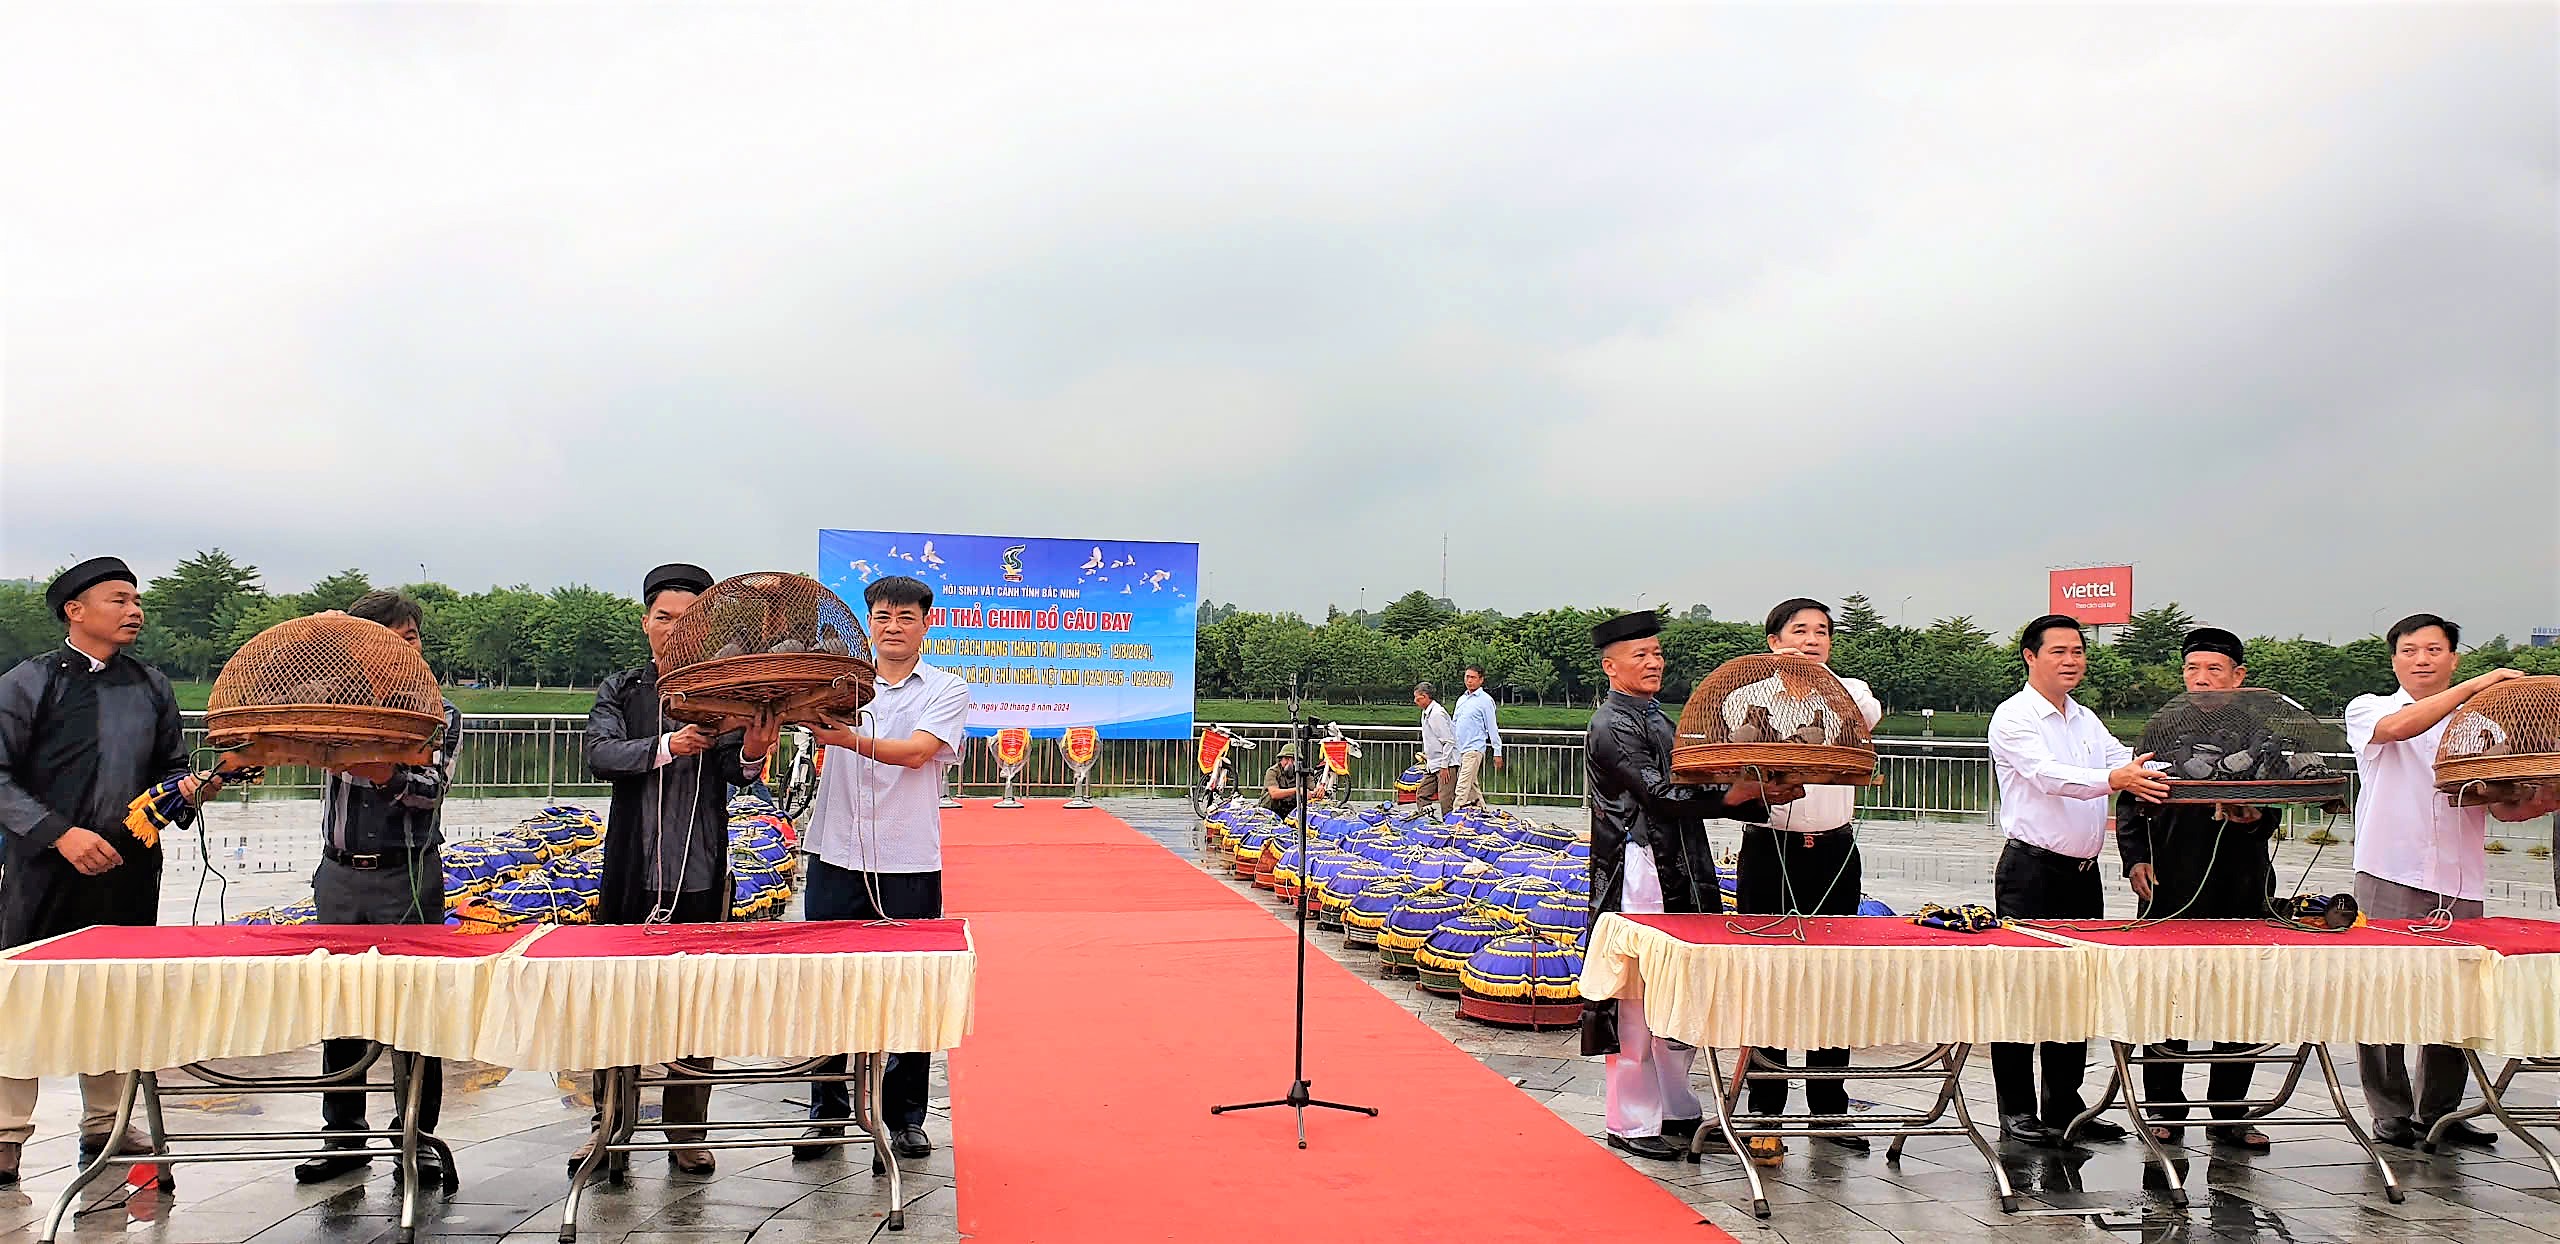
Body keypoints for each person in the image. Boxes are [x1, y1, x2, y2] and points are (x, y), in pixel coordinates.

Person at [0, 557, 232, 1187]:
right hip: (43, 867)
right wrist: (59, 833)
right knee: (22, 993)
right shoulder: (28, 683)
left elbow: (169, 771)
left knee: (114, 991)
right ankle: (6, 1133)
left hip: (127, 867)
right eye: (119, 600)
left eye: (136, 600)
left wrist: (191, 789)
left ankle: (108, 1122)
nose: (135, 611)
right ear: (74, 611)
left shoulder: (152, 686)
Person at [578, 563, 778, 1176]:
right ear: (646, 623)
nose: (673, 628)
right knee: (618, 1000)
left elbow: (735, 771)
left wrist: (752, 749)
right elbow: (599, 754)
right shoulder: (623, 690)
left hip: (700, 872)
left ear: (705, 627)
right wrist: (668, 745)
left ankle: (686, 1131)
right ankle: (609, 1123)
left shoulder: (725, 688)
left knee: (696, 1002)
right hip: (631, 872)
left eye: (688, 619)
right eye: (664, 617)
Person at [1581, 611, 1791, 1162]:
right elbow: (1656, 794)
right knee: (1635, 997)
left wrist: (1754, 791)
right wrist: (1731, 798)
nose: (1654, 662)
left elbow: (1695, 779)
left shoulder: (1658, 716)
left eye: (1656, 652)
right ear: (1611, 667)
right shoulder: (1611, 724)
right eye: (1640, 655)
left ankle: (1679, 1109)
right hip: (1639, 868)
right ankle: (1631, 1119)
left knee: (1679, 991)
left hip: (1682, 861)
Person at [793, 576, 971, 1163]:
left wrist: (846, 739)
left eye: (905, 616)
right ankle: (826, 1111)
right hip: (835, 852)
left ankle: (904, 1117)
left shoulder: (946, 688)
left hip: (907, 856)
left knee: (910, 984)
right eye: (882, 616)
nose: (893, 626)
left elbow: (918, 753)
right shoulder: (838, 684)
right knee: (826, 982)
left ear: (926, 624)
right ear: (868, 622)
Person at [296, 591, 465, 1185]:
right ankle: (342, 1139)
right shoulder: (334, 705)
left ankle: (416, 1136)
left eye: (411, 636)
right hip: (340, 874)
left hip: (407, 875)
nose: (403, 647)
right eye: (388, 637)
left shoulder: (438, 713)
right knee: (340, 1007)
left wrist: (378, 770)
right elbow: (286, 725)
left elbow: (430, 791)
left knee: (415, 1009)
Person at [1985, 614, 2167, 1148]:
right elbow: (2048, 776)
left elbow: (2127, 763)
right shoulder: (2014, 716)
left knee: (2073, 992)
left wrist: (2186, 770)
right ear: (2030, 656)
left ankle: (2064, 1105)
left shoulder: (2085, 719)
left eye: (2078, 652)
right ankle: (2017, 1110)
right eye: (2059, 651)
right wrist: (2116, 779)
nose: (2071, 661)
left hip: (2082, 875)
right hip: (2031, 872)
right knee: (2023, 991)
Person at [2346, 613, 2524, 1149]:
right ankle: (2390, 1111)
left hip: (2460, 875)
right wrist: (2479, 686)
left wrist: (2531, 795)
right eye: (2410, 651)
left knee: (2457, 994)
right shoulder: (2370, 708)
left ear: (2453, 657)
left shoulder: (2484, 727)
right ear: (2394, 660)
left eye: (2433, 650)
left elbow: (2506, 806)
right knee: (2382, 990)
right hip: (2390, 868)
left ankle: (2442, 1112)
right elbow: (2398, 731)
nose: (2421, 660)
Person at [2112, 627, 2278, 1152]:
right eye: (2192, 669)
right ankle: (2164, 1108)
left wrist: (2253, 816)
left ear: (2237, 676)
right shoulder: (2163, 728)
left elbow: (2276, 802)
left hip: (2241, 881)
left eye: (2213, 670)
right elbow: (2131, 799)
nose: (2201, 679)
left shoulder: (2260, 732)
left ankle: (2229, 1114)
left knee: (2239, 998)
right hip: (2169, 879)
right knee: (2167, 995)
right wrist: (2135, 858)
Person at [1733, 598, 1883, 1164]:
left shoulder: (1850, 690)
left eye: (1822, 631)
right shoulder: (1746, 696)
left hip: (1834, 851)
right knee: (1767, 977)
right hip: (1769, 850)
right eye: (1799, 630)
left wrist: (1813, 682)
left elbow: (1861, 716)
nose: (1812, 639)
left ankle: (1829, 1108)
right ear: (1774, 641)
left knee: (1832, 977)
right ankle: (1764, 1114)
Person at [1452, 666, 1505, 809]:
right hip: (1460, 749)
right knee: (1471, 786)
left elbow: (1492, 727)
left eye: (1473, 677)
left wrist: (1497, 751)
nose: (1469, 680)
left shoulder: (1485, 701)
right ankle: (1483, 811)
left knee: (1462, 787)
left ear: (1481, 680)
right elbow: (1454, 724)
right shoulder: (1461, 699)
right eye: (1467, 677)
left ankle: (1455, 814)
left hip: (1474, 749)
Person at [1416, 681, 1457, 817]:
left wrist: (1445, 766)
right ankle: (1427, 820)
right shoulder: (1426, 713)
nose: (1415, 701)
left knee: (1446, 799)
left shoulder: (1436, 714)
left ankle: (1449, 825)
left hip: (1445, 764)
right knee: (1422, 794)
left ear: (1426, 697)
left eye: (1418, 698)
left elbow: (1449, 741)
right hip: (1432, 763)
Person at [1259, 743, 1328, 820]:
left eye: (1293, 759)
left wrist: (1318, 791)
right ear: (1281, 760)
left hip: (1293, 812)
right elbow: (1274, 793)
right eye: (1286, 759)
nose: (1290, 763)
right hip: (1271, 811)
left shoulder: (1304, 773)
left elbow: (1312, 790)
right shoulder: (1273, 771)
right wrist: (1297, 790)